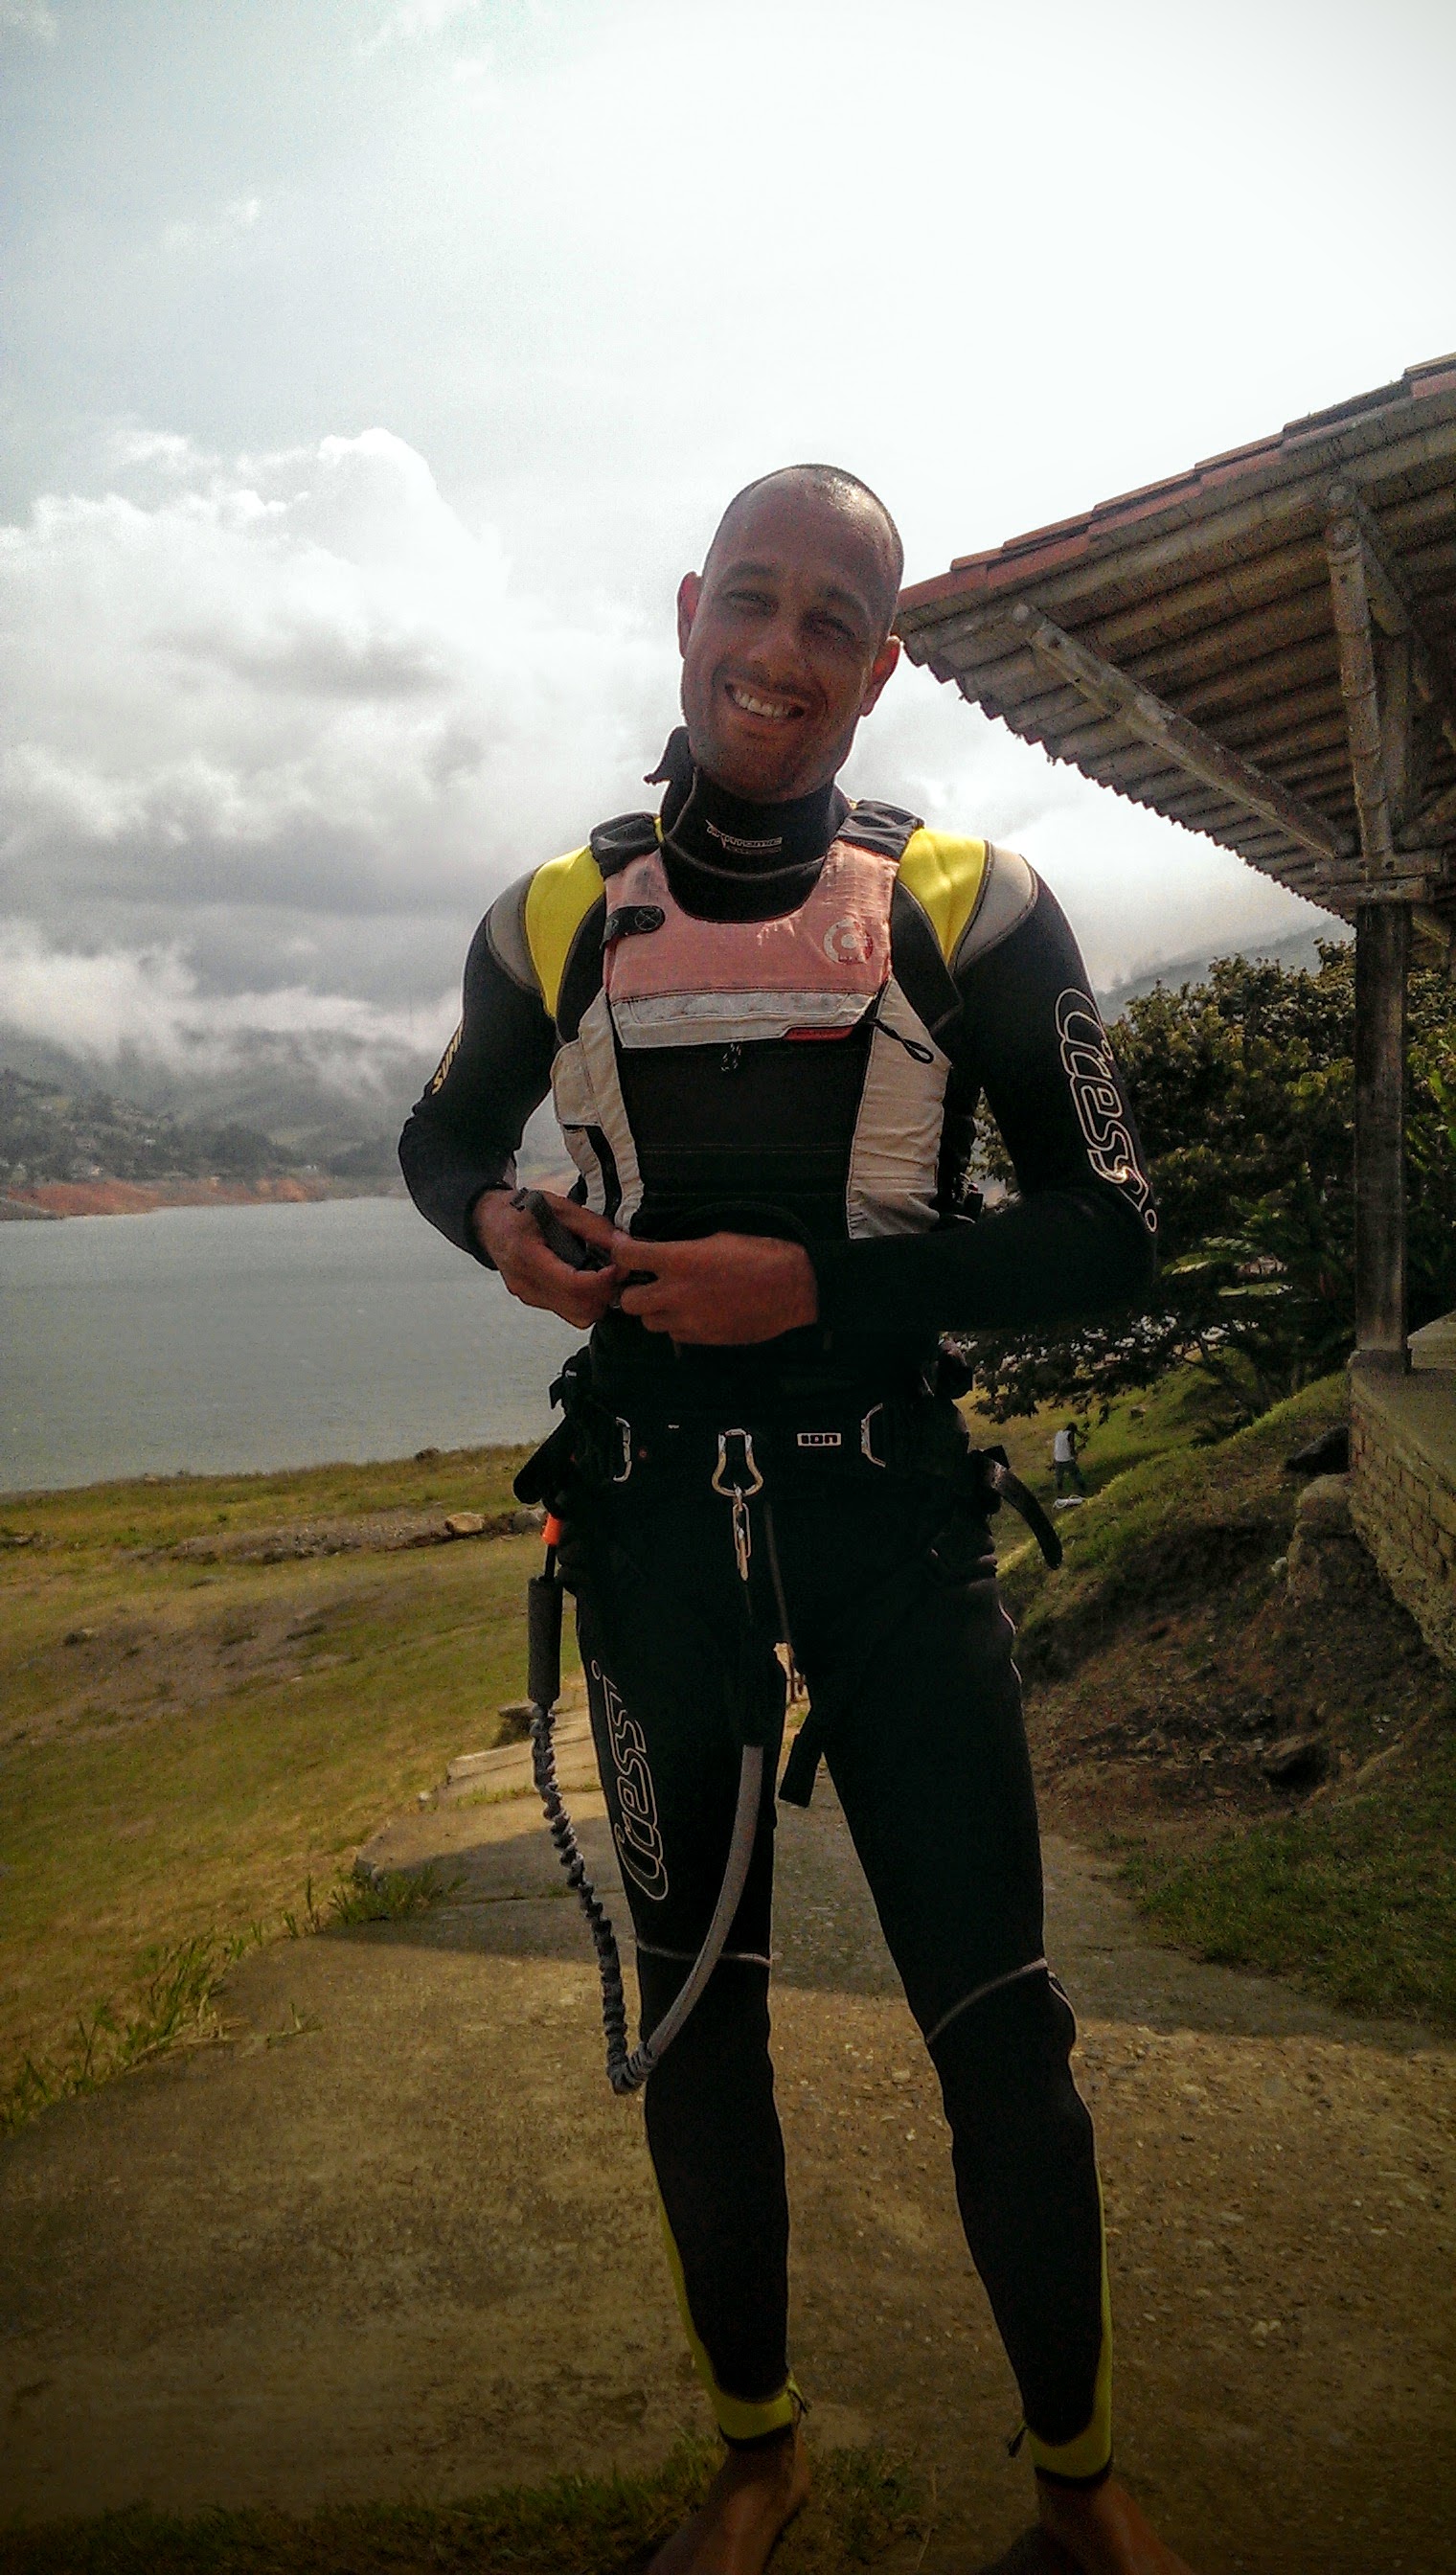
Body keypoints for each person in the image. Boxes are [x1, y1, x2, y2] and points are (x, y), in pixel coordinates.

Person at [399, 466, 1195, 2575]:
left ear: (881, 659)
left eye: (831, 616)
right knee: (695, 2016)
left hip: (886, 1531)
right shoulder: (549, 917)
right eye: (748, 602)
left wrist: (829, 1291)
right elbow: (440, 1131)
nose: (779, 648)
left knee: (1001, 2029)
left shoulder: (971, 903)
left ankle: (1078, 2483)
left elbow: (1113, 1233)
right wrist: (498, 1223)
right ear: (685, 612)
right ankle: (755, 2454)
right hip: (652, 1532)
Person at [1054, 1422, 1086, 1497]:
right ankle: (1083, 1488)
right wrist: (1079, 1450)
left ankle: (1059, 1492)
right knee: (1076, 1475)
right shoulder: (1070, 1434)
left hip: (1058, 1459)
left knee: (1059, 1477)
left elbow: (1058, 1447)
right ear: (1073, 1430)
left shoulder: (1059, 1433)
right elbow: (1071, 1449)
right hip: (1067, 1460)